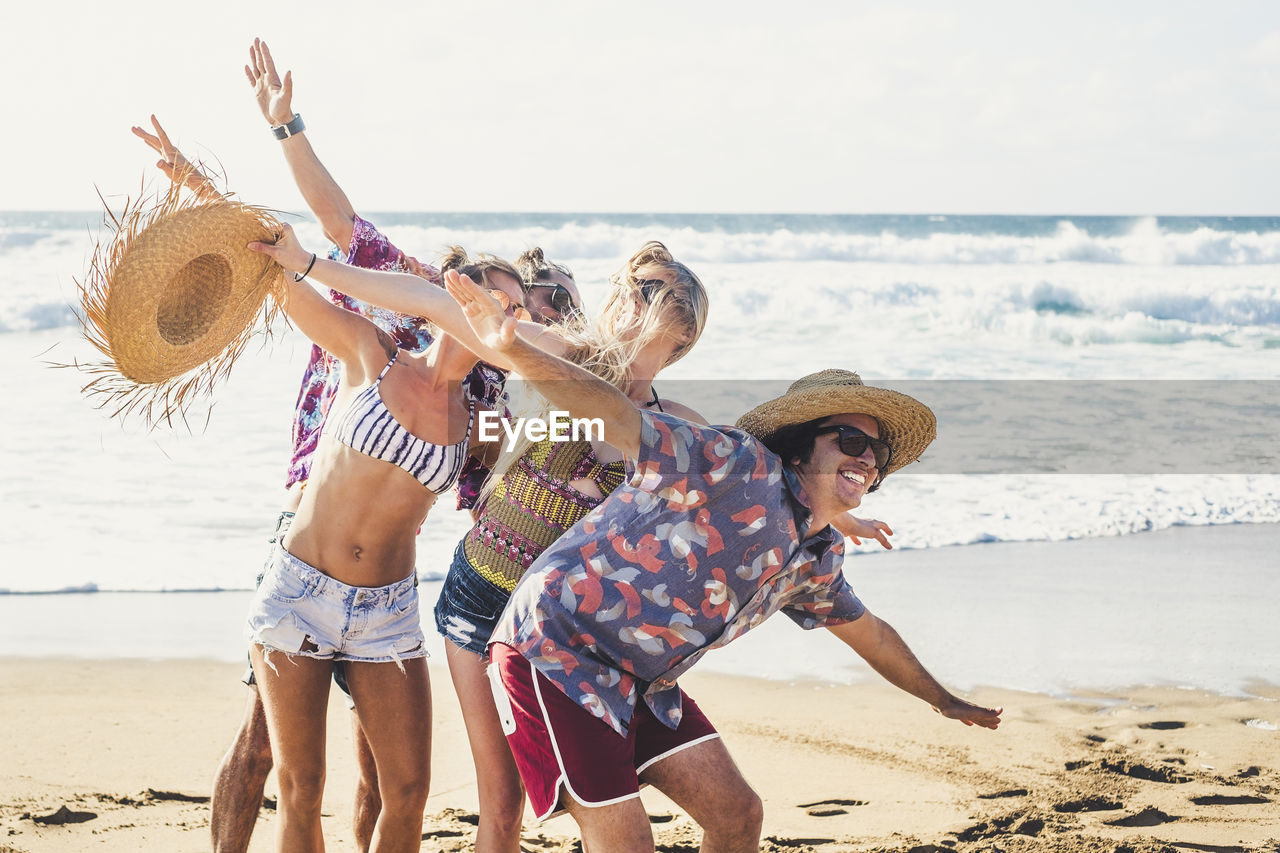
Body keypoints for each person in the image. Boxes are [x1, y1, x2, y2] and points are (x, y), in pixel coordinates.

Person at [438, 272, 1004, 853]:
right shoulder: (733, 463)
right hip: (556, 651)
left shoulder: (815, 559)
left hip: (637, 680)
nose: (867, 460)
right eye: (850, 442)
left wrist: (943, 698)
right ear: (805, 442)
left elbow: (873, 637)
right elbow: (615, 414)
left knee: (737, 814)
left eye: (878, 453)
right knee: (625, 842)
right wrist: (512, 348)